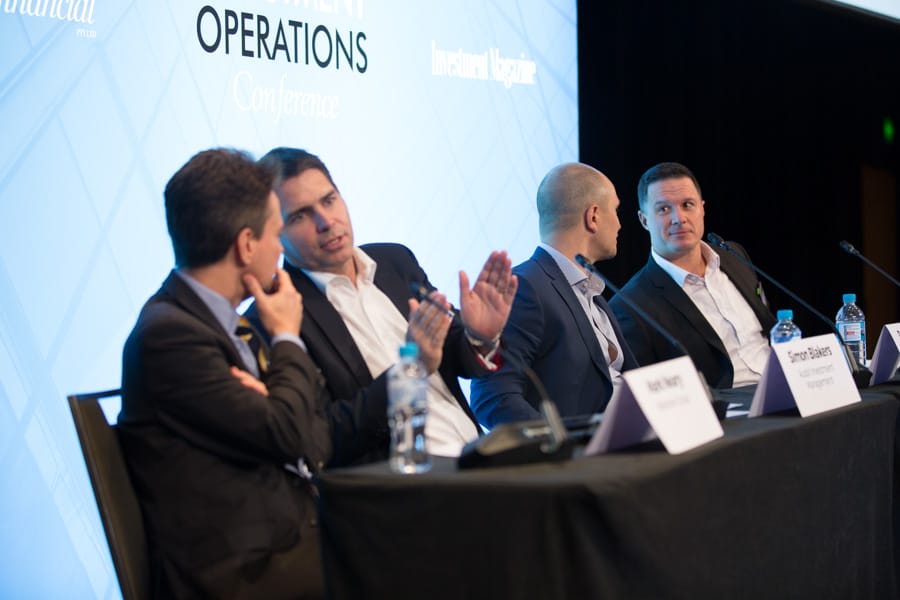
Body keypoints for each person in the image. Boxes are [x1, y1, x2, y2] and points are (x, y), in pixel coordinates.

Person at [118, 148, 381, 599]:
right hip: (249, 574)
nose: (280, 249)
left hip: (299, 542)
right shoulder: (171, 336)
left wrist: (279, 401)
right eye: (276, 233)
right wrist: (287, 337)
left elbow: (315, 440)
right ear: (245, 245)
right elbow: (290, 435)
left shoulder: (233, 324)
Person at [252, 147, 517, 458]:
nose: (326, 222)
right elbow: (323, 435)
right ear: (273, 233)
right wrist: (410, 372)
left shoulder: (395, 261)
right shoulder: (274, 316)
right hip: (400, 478)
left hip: (476, 455)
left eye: (329, 200)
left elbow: (449, 353)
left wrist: (479, 337)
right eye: (300, 216)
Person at [469, 163, 639, 428]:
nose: (619, 224)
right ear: (593, 216)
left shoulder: (591, 291)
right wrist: (565, 442)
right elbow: (493, 399)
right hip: (586, 451)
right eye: (615, 211)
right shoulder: (524, 288)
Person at [609, 162, 776, 389]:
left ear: (702, 209)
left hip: (781, 387)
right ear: (644, 220)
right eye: (663, 209)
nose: (679, 218)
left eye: (687, 205)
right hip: (725, 407)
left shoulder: (734, 256)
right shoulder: (630, 306)